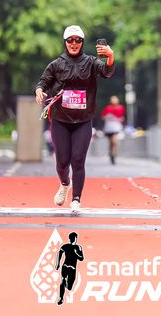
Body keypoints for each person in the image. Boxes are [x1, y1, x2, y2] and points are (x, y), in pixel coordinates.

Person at [35, 25, 115, 213]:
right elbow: (43, 82)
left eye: (77, 40)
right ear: (65, 42)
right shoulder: (56, 64)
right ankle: (65, 183)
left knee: (78, 160)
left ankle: (76, 199)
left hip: (83, 121)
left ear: (82, 42)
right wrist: (39, 91)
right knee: (62, 162)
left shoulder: (91, 62)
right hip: (60, 120)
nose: (73, 43)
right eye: (70, 40)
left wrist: (110, 56)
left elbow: (106, 72)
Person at [55, 231, 84, 305]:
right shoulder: (66, 246)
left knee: (69, 287)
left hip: (70, 268)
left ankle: (65, 284)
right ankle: (61, 297)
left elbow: (81, 258)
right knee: (63, 280)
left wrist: (76, 253)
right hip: (67, 267)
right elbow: (59, 253)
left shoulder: (78, 247)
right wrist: (57, 263)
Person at [101, 95, 125, 165]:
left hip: (116, 126)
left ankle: (114, 153)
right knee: (111, 142)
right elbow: (103, 117)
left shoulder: (121, 108)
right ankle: (111, 153)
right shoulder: (108, 108)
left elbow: (122, 117)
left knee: (114, 141)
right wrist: (108, 117)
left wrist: (119, 119)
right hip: (109, 127)